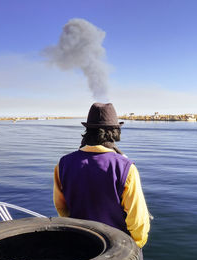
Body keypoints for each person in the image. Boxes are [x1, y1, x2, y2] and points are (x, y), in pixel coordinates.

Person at [53, 102, 150, 252]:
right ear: (115, 131)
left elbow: (61, 206)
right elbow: (137, 220)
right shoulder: (126, 167)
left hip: (78, 244)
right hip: (116, 249)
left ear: (88, 131)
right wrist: (136, 245)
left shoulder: (63, 164)